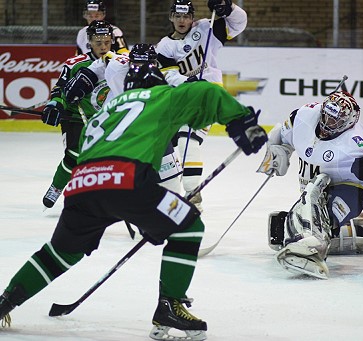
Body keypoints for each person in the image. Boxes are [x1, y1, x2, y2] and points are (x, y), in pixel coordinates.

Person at [0, 63, 268, 339]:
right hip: (128, 181)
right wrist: (242, 121)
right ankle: (171, 305)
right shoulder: (161, 95)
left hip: (82, 185)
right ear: (156, 82)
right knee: (189, 226)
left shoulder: (106, 111)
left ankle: (6, 301)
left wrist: (143, 214)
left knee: (60, 252)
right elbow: (205, 91)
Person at [257, 90, 363, 279]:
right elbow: (282, 135)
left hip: (350, 191)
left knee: (313, 210)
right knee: (282, 229)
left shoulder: (354, 144)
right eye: (326, 116)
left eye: (335, 121)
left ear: (348, 123)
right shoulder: (304, 116)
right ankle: (356, 230)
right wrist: (277, 151)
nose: (326, 124)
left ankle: (311, 247)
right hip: (314, 189)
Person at [155, 0, 247, 211]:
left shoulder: (207, 28)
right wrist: (188, 83)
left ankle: (192, 192)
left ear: (192, 17)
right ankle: (179, 191)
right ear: (171, 17)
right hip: (183, 99)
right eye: (177, 16)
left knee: (189, 138)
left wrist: (229, 7)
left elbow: (239, 23)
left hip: (209, 95)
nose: (181, 20)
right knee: (176, 145)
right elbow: (169, 74)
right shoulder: (165, 46)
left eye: (186, 16)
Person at [64, 44, 183, 195]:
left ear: (155, 64)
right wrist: (86, 76)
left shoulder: (162, 79)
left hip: (150, 130)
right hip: (119, 127)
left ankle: (174, 201)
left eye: (145, 65)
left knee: (170, 180)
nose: (139, 69)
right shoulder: (118, 67)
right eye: (136, 64)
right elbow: (105, 59)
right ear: (129, 62)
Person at [40, 20, 113, 209]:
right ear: (89, 42)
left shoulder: (119, 63)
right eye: (98, 43)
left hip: (105, 120)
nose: (103, 47)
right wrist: (55, 105)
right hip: (75, 117)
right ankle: (57, 187)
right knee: (74, 155)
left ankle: (91, 195)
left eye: (107, 42)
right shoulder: (75, 64)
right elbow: (60, 90)